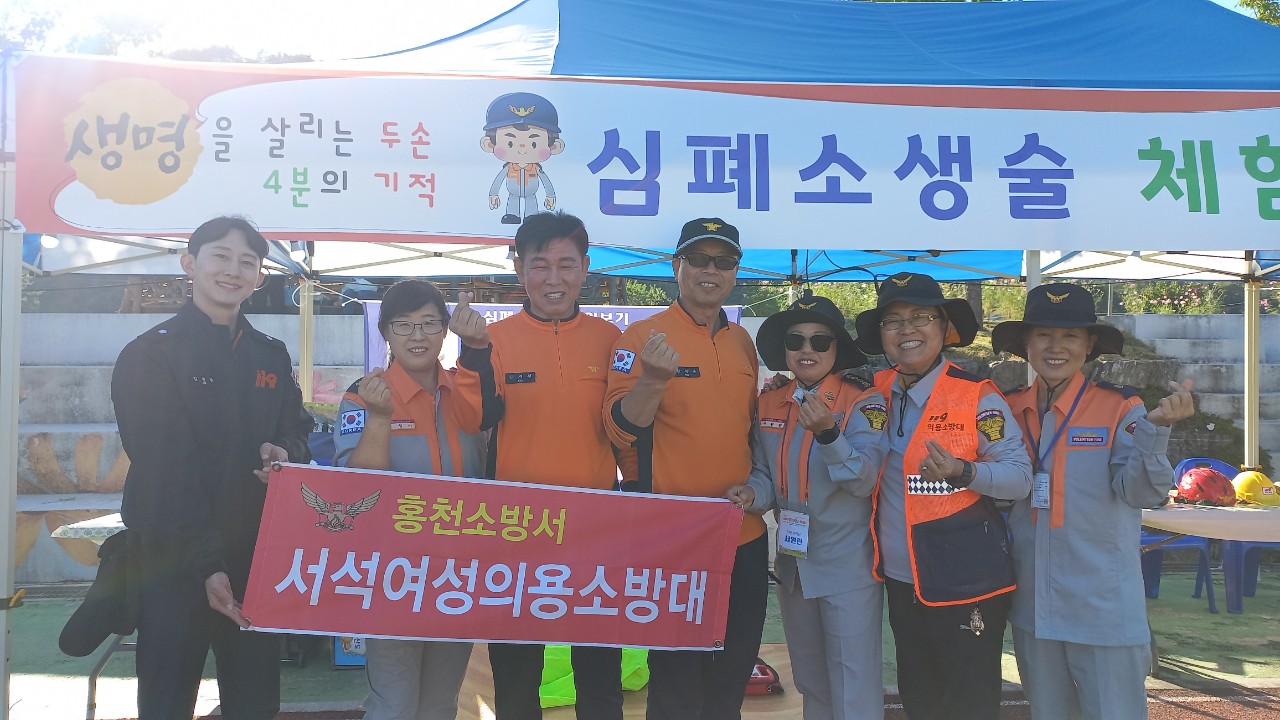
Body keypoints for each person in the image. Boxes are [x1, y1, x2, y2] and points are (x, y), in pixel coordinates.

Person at [112, 216, 313, 720]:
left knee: (254, 703)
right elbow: (164, 473)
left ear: (259, 277)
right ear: (190, 264)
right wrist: (207, 565)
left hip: (254, 562)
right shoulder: (149, 355)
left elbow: (299, 431)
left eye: (247, 262)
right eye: (220, 256)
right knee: (166, 703)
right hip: (173, 562)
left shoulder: (271, 354)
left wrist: (285, 453)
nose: (233, 270)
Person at [450, 211, 627, 720]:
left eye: (566, 264)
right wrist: (473, 353)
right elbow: (474, 416)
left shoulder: (610, 340)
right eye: (540, 265)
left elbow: (628, 430)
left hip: (595, 529)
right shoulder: (494, 340)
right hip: (516, 531)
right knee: (516, 680)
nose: (554, 278)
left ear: (585, 268)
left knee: (600, 677)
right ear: (519, 269)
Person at [992, 283, 1194, 720]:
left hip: (1103, 607)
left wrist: (1157, 429)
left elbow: (1142, 493)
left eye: (1070, 336)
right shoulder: (1005, 409)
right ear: (1026, 344)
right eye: (1044, 335)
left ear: (1089, 346)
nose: (1056, 347)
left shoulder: (1120, 407)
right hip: (1032, 607)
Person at [604, 217, 766, 720]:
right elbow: (618, 428)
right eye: (699, 259)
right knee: (676, 680)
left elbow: (747, 429)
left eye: (724, 261)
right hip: (675, 537)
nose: (710, 270)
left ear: (735, 272)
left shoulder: (742, 342)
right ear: (677, 266)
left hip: (743, 531)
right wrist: (653, 380)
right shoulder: (641, 338)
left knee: (732, 672)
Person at [851, 271, 1032, 720]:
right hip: (901, 580)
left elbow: (1019, 477)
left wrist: (964, 472)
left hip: (966, 582)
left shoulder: (977, 397)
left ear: (944, 327)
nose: (906, 329)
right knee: (920, 700)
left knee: (969, 705)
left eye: (920, 317)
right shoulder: (875, 390)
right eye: (893, 321)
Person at [726, 290, 888, 720]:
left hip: (847, 568)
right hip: (793, 568)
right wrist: (751, 495)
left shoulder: (863, 401)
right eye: (795, 341)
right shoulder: (769, 401)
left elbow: (863, 480)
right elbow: (764, 474)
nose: (806, 350)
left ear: (836, 349)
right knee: (811, 682)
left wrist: (829, 434)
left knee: (854, 684)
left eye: (820, 341)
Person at [333, 279, 484, 720]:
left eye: (429, 323)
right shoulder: (365, 394)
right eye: (403, 324)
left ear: (445, 330)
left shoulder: (467, 391)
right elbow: (353, 490)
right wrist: (380, 419)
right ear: (385, 331)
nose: (418, 336)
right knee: (394, 704)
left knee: (440, 704)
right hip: (393, 576)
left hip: (459, 573)